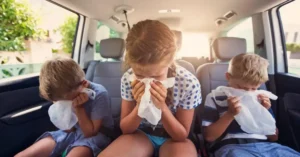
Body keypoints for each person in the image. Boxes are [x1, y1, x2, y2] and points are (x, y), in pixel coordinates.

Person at [98, 20, 201, 157]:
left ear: (170, 61)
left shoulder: (188, 83)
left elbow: (181, 135)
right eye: (139, 75)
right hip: (141, 134)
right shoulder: (129, 78)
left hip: (174, 139)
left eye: (157, 76)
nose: (148, 81)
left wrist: (162, 107)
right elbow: (126, 129)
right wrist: (140, 105)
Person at [202, 53, 300, 157]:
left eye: (254, 89)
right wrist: (230, 114)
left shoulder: (260, 98)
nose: (248, 92)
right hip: (233, 146)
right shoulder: (215, 98)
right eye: (241, 87)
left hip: (268, 146)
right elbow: (209, 137)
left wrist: (264, 112)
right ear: (228, 77)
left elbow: (273, 137)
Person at [15, 58, 114, 157]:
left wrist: (79, 108)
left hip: (97, 135)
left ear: (83, 84)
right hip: (72, 132)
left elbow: (90, 133)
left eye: (68, 100)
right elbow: (68, 129)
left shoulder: (100, 94)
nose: (64, 103)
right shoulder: (60, 94)